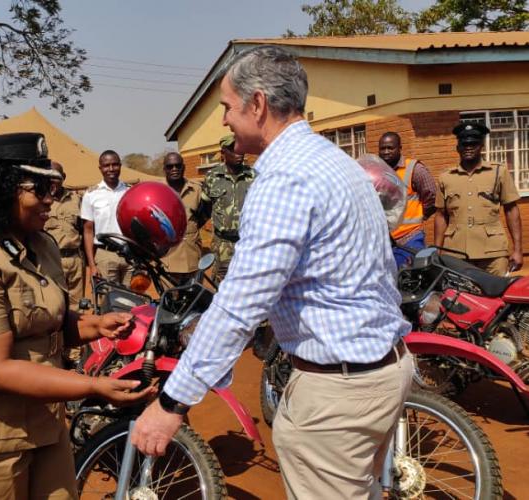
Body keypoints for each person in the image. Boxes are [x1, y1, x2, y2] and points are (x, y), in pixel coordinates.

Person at [131, 46, 413, 500]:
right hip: (385, 371)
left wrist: (171, 402)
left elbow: (241, 305)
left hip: (337, 395)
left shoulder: (283, 179)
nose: (223, 120)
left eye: (226, 107)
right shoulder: (336, 161)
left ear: (257, 104)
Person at [0, 133, 155, 500]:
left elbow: (46, 320)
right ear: (2, 189)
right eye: (38, 187)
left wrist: (94, 326)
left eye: (52, 187)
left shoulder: (41, 245)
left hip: (43, 420)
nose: (49, 199)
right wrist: (92, 388)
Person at [434, 123, 523, 276]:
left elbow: (511, 210)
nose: (469, 147)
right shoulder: (446, 177)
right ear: (458, 148)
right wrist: (436, 250)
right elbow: (441, 215)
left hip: (493, 253)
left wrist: (518, 250)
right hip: (456, 252)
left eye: (473, 143)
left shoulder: (498, 172)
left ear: (481, 146)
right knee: (459, 297)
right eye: (464, 144)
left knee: (497, 296)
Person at [199, 134, 255, 283]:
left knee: (249, 284)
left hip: (248, 243)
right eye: (233, 149)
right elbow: (204, 208)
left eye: (240, 148)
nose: (239, 152)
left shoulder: (253, 176)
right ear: (223, 153)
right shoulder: (212, 177)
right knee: (222, 286)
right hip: (222, 245)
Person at [378, 132, 436, 267]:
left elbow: (432, 196)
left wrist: (422, 215)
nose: (386, 152)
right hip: (384, 241)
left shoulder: (414, 169)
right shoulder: (377, 170)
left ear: (400, 148)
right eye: (382, 148)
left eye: (390, 148)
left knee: (409, 281)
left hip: (409, 238)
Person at [81, 150, 133, 286]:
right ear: (100, 168)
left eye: (115, 165)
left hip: (131, 256)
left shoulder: (131, 191)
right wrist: (92, 265)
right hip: (105, 256)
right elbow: (88, 231)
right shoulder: (91, 194)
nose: (111, 169)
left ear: (120, 166)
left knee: (134, 302)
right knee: (107, 302)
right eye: (106, 165)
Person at [159, 152, 206, 282]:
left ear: (183, 167)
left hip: (192, 255)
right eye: (170, 166)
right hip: (168, 259)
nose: (174, 169)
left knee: (195, 298)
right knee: (170, 300)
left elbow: (202, 217)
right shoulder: (158, 191)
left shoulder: (196, 190)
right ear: (164, 169)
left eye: (178, 166)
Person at [45, 162, 85, 310]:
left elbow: (85, 229)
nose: (52, 180)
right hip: (51, 259)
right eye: (49, 176)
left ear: (63, 177)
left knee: (77, 306)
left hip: (75, 260)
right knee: (54, 303)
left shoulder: (77, 200)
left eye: (56, 176)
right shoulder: (42, 201)